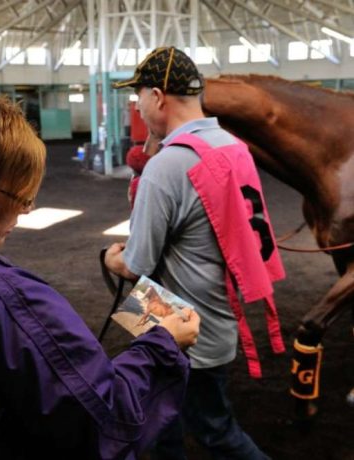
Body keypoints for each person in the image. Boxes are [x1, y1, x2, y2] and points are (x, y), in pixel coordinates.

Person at [0, 78, 200, 460]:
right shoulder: (8, 303)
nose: (24, 212)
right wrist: (163, 345)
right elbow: (106, 423)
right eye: (19, 198)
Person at [106, 46, 286, 460]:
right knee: (161, 424)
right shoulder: (232, 146)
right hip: (217, 317)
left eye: (139, 97)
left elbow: (136, 264)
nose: (138, 105)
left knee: (214, 432)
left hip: (182, 330)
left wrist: (108, 259)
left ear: (158, 97)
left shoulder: (169, 165)